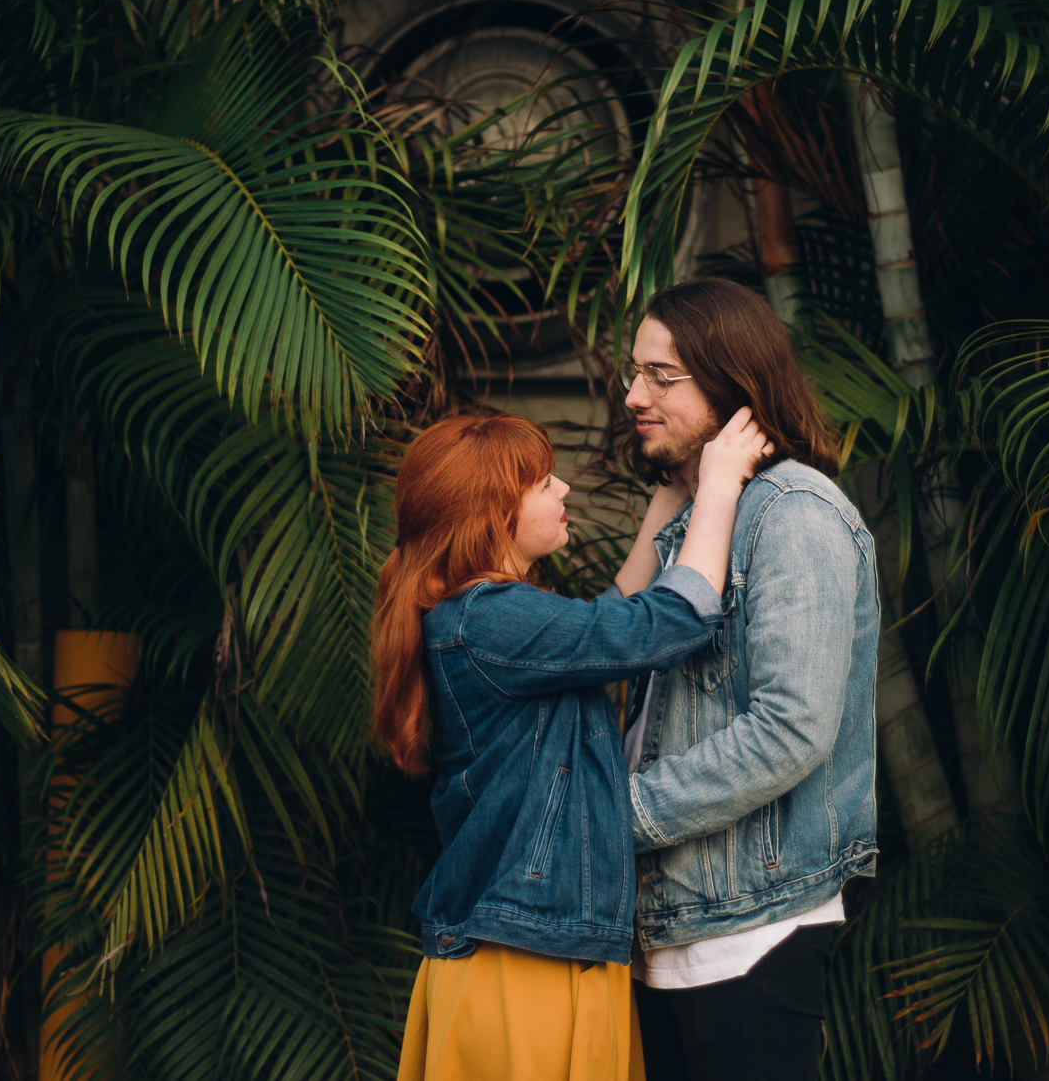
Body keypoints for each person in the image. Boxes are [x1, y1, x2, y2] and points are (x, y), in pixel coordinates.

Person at [376, 407, 773, 1081]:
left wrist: (671, 495)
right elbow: (669, 619)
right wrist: (719, 485)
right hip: (523, 960)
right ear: (491, 511)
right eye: (543, 482)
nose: (563, 491)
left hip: (540, 946)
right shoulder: (489, 618)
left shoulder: (482, 617)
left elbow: (610, 611)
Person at [615, 279, 881, 1081]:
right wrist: (679, 495)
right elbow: (608, 652)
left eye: (663, 378)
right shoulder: (702, 519)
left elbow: (791, 727)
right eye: (636, 373)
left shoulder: (795, 513)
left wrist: (618, 814)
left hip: (751, 930)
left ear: (735, 385)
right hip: (671, 927)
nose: (635, 396)